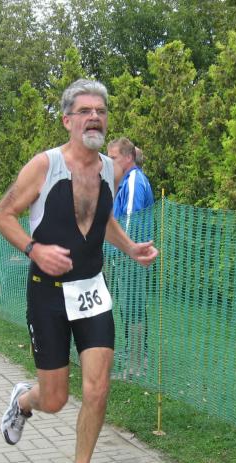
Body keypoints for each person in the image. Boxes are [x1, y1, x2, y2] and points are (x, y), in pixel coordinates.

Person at [0, 79, 158, 463]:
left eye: (100, 111)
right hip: (47, 294)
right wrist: (34, 249)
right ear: (67, 120)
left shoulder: (111, 169)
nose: (94, 117)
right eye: (84, 111)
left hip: (92, 291)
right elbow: (2, 214)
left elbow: (101, 218)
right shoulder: (44, 166)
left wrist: (131, 247)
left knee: (98, 388)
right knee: (54, 399)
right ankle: (23, 401)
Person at [106, 137, 155, 378]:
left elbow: (128, 220)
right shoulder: (123, 180)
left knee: (132, 308)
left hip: (130, 257)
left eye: (113, 158)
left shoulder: (134, 180)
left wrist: (125, 251)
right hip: (126, 256)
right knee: (129, 307)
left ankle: (136, 365)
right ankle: (135, 357)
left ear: (128, 157)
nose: (109, 163)